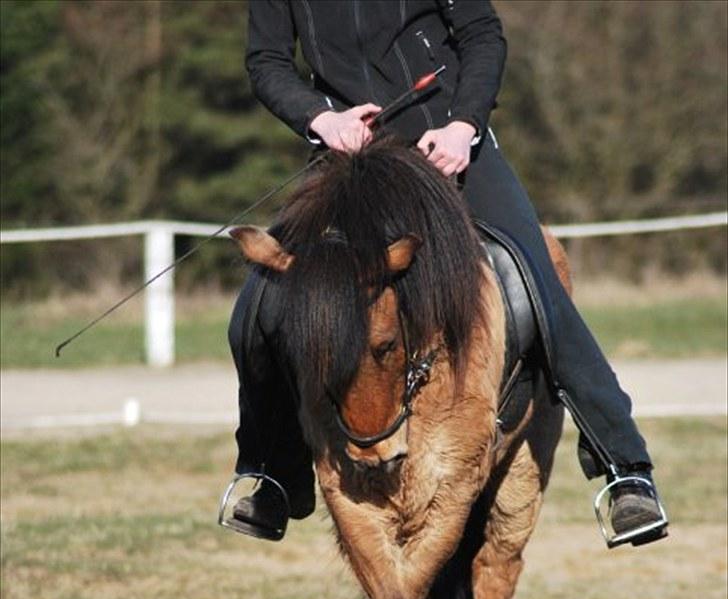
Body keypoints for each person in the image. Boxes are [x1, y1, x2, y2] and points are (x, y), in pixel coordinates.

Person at [226, 0, 667, 547]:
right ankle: (273, 473)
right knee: (259, 305)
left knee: (538, 284)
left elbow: (482, 35)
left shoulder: (459, 131)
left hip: (449, 144)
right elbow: (266, 61)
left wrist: (463, 125)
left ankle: (625, 468)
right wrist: (322, 118)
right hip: (349, 157)